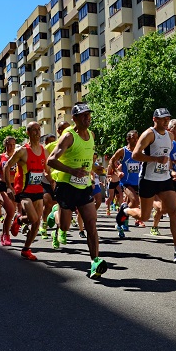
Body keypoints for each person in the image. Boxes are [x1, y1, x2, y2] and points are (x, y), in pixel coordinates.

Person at [116, 108, 176, 262]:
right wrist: (156, 159)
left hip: (164, 179)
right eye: (162, 119)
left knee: (173, 210)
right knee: (144, 216)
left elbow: (168, 157)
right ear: (155, 119)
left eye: (167, 119)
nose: (166, 121)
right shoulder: (149, 134)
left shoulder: (170, 135)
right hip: (148, 179)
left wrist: (174, 164)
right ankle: (125, 210)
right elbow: (135, 155)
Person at [48, 103, 108, 278]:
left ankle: (95, 262)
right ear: (74, 118)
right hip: (66, 186)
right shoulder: (68, 136)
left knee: (91, 223)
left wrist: (96, 169)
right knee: (65, 227)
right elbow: (51, 161)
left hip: (83, 187)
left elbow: (88, 158)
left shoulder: (91, 135)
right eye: (83, 115)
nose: (87, 118)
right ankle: (55, 214)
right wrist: (72, 171)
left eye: (88, 114)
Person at [4, 122, 51, 260]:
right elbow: (7, 166)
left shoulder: (44, 151)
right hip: (23, 190)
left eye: (39, 129)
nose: (37, 132)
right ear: (28, 133)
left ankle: (26, 249)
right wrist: (9, 186)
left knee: (37, 223)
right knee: (34, 218)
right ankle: (19, 219)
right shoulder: (22, 151)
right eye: (34, 130)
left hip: (38, 189)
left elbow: (46, 171)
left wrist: (53, 180)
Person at [108, 130, 142, 231]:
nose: (136, 139)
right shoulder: (123, 151)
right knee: (135, 201)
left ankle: (122, 220)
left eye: (137, 137)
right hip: (126, 182)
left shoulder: (139, 150)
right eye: (133, 137)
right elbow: (111, 161)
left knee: (129, 204)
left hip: (138, 182)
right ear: (128, 139)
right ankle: (122, 217)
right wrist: (117, 173)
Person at [0, 136, 18, 245]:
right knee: (10, 210)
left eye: (13, 144)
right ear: (5, 145)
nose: (11, 147)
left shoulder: (18, 156)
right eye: (8, 144)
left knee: (10, 213)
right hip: (2, 185)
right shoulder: (0, 157)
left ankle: (4, 233)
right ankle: (7, 235)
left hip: (14, 186)